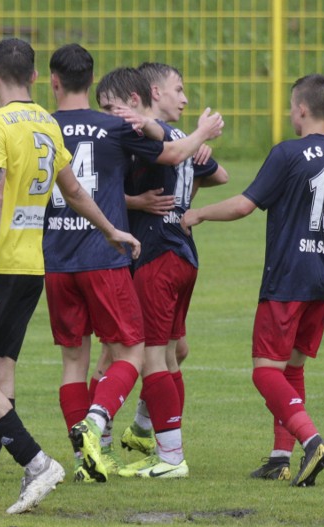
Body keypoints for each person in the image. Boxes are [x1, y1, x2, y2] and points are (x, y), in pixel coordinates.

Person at [0, 38, 140, 515]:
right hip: (33, 265)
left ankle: (35, 461)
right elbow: (72, 190)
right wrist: (111, 228)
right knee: (0, 371)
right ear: (33, 76)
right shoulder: (47, 123)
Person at [181, 73, 324, 487]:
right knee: (292, 369)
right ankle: (279, 457)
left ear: (302, 109)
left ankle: (313, 442)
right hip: (322, 281)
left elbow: (243, 205)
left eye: (292, 107)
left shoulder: (288, 154)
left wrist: (198, 213)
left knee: (264, 370)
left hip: (287, 279)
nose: (291, 114)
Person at [44, 47, 225, 483]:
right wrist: (199, 135)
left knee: (81, 360)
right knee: (139, 352)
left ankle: (92, 456)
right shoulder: (112, 128)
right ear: (90, 85)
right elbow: (173, 153)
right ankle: (109, 429)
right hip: (111, 254)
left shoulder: (39, 126)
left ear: (52, 81)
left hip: (56, 257)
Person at [94, 66, 223, 479]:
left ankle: (163, 455)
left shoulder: (154, 134)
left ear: (137, 99)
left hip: (153, 255)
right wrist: (194, 148)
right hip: (182, 253)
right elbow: (217, 172)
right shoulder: (172, 137)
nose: (184, 98)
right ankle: (147, 435)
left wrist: (196, 139)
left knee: (135, 354)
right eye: (179, 90)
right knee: (168, 354)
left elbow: (166, 149)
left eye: (113, 107)